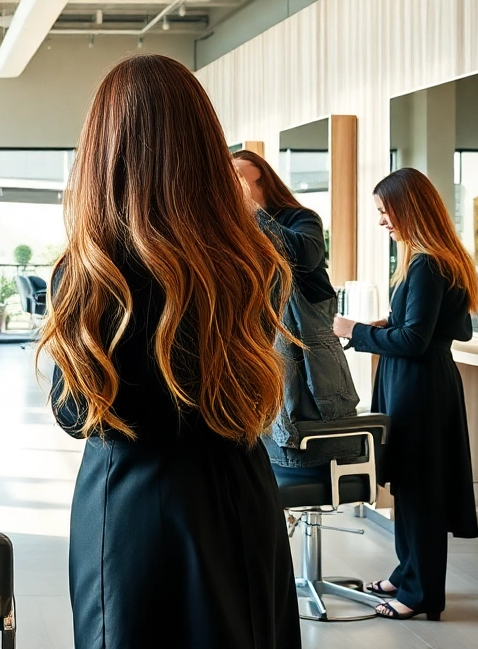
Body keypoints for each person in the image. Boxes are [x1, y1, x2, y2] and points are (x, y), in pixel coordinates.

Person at [40, 55, 301, 649]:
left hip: (130, 505)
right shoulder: (254, 263)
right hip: (239, 491)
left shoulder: (91, 273)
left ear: (105, 153)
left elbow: (77, 416)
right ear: (206, 149)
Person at [333, 167, 478, 621]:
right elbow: (447, 329)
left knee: (421, 491)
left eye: (384, 211)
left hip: (419, 388)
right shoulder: (436, 260)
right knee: (412, 484)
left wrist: (353, 329)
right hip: (420, 382)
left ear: (408, 208)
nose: (382, 221)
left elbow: (415, 342)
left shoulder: (427, 264)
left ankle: (420, 595)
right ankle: (407, 572)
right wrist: (387, 326)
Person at [233, 150, 360, 469]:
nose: (230, 179)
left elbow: (302, 256)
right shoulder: (238, 232)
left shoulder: (301, 218)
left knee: (315, 435)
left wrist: (253, 211)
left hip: (312, 353)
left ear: (258, 173)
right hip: (265, 349)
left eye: (236, 172)